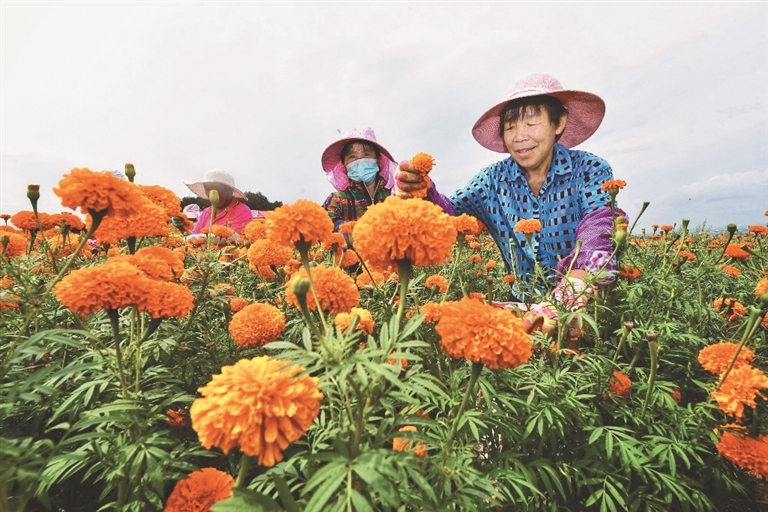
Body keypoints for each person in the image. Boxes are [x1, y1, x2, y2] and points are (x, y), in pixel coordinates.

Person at [397, 73, 624, 298]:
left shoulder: (589, 168)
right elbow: (451, 213)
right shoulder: (491, 181)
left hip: (586, 302)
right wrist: (423, 190)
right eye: (510, 127)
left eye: (531, 123)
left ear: (559, 123)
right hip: (522, 305)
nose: (519, 136)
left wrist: (573, 289)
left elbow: (598, 227)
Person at [321, 126, 454, 232]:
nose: (360, 161)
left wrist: (426, 191)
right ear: (344, 165)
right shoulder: (337, 200)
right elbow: (325, 225)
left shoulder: (394, 196)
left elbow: (442, 215)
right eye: (352, 157)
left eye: (366, 154)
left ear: (378, 160)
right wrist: (356, 232)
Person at [184, 169, 253, 237]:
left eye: (215, 189)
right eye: (207, 189)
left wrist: (201, 237)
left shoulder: (242, 211)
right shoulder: (206, 212)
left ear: (230, 190)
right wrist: (183, 229)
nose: (211, 193)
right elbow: (194, 237)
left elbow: (235, 237)